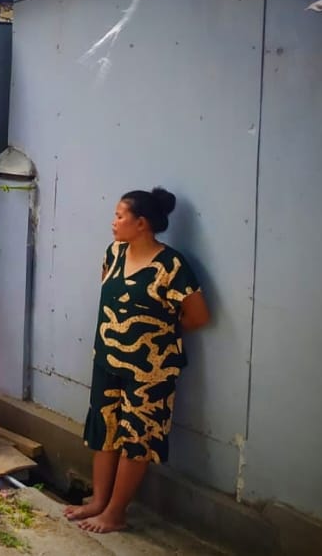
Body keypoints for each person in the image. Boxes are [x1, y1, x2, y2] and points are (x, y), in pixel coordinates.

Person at [64, 187, 210, 534]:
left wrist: (155, 338)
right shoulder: (114, 253)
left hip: (151, 371)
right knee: (105, 431)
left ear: (141, 223)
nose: (113, 222)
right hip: (107, 361)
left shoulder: (171, 265)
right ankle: (99, 501)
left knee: (137, 437)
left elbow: (197, 317)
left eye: (120, 216)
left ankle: (115, 512)